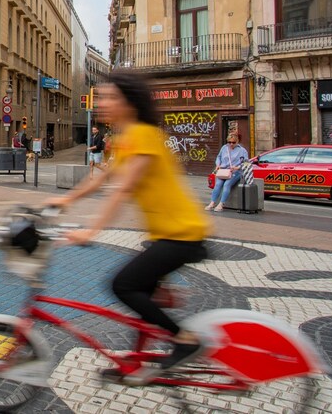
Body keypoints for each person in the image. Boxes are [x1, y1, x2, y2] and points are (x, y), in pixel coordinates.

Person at [44, 70, 211, 384]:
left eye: (110, 97)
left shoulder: (144, 135)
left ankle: (185, 342)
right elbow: (102, 178)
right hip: (165, 234)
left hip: (182, 234)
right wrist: (65, 202)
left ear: (129, 103)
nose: (102, 102)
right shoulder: (125, 138)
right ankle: (135, 363)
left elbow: (122, 189)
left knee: (123, 285)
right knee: (141, 294)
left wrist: (90, 231)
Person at [206, 133, 250, 212]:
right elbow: (219, 157)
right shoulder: (224, 148)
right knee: (218, 184)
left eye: (233, 142)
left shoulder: (242, 150)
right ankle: (212, 202)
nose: (231, 144)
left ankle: (221, 204)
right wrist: (218, 165)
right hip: (223, 170)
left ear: (237, 142)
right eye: (229, 142)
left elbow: (246, 163)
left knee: (227, 184)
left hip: (235, 172)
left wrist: (237, 167)